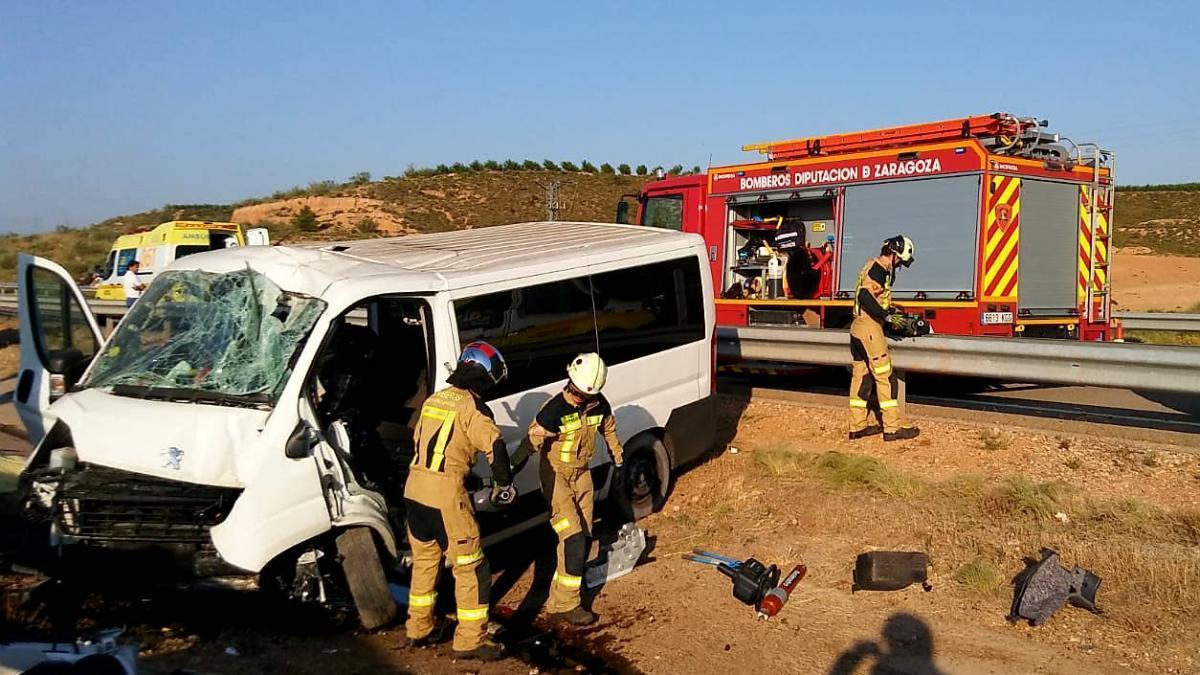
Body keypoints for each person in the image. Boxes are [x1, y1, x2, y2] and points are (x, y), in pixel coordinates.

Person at [403, 341, 515, 661]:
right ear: (485, 375)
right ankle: (470, 640)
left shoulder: (434, 399)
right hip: (445, 496)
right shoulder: (474, 408)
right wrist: (503, 485)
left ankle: (419, 627)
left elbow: (421, 440)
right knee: (472, 567)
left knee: (425, 561)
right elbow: (495, 447)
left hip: (415, 488)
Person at [510, 352, 623, 626]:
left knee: (583, 537)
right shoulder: (553, 410)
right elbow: (530, 443)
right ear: (569, 380)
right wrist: (508, 473)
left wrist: (618, 460)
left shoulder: (598, 403)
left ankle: (562, 596)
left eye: (584, 394)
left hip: (582, 475)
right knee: (572, 536)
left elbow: (608, 428)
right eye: (575, 391)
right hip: (556, 477)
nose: (578, 397)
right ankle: (567, 605)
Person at [848, 235, 920, 442]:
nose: (900, 266)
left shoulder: (872, 266)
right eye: (901, 262)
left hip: (858, 328)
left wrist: (890, 307)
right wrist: (885, 315)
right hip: (870, 328)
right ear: (895, 255)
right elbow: (864, 295)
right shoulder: (879, 269)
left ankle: (857, 426)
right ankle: (892, 428)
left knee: (861, 377)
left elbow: (874, 295)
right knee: (885, 376)